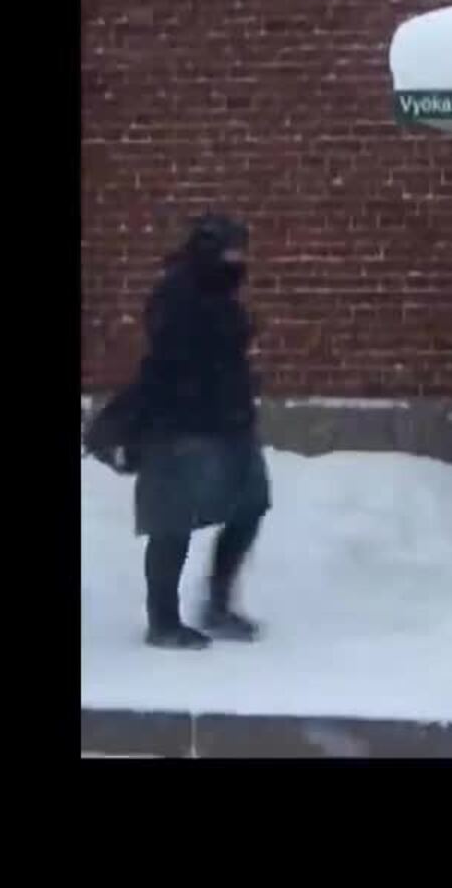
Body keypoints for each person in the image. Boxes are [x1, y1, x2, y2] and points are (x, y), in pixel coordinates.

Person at [127, 214, 271, 649]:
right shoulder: (178, 293)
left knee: (250, 506)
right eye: (231, 250)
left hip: (228, 424)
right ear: (208, 249)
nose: (239, 259)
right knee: (173, 521)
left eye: (241, 250)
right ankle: (163, 622)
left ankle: (216, 604)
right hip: (182, 427)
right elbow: (174, 359)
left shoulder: (217, 291)